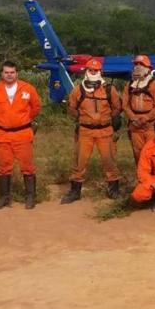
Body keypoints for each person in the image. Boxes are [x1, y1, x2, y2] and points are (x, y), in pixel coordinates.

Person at [61, 58, 122, 204]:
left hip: (105, 131)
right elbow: (71, 108)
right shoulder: (78, 90)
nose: (93, 73)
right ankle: (75, 191)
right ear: (86, 71)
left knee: (109, 160)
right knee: (79, 162)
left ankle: (113, 190)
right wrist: (83, 119)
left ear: (100, 72)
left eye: (96, 70)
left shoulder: (109, 89)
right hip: (85, 131)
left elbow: (117, 107)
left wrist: (106, 119)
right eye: (91, 70)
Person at [0, 60, 42, 209]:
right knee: (3, 166)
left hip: (22, 133)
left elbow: (36, 107)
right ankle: (4, 197)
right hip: (1, 134)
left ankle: (30, 197)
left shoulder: (28, 88)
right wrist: (4, 121)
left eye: (12, 72)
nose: (9, 75)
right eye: (6, 72)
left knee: (27, 166)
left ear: (17, 73)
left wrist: (22, 120)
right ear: (2, 74)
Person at [122, 55, 155, 164]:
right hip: (135, 125)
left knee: (153, 152)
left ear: (148, 68)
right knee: (138, 153)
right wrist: (133, 118)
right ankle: (142, 177)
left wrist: (146, 118)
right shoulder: (129, 85)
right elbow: (125, 104)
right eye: (136, 64)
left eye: (141, 64)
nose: (137, 66)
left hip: (151, 125)